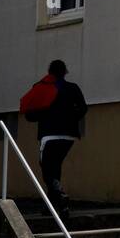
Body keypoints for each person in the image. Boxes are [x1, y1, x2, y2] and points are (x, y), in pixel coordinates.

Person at [19, 60, 87, 211]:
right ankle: (55, 207)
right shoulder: (73, 88)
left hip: (49, 135)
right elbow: (83, 109)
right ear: (65, 72)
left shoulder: (41, 87)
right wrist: (71, 117)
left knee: (47, 169)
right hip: (69, 136)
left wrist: (44, 115)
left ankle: (59, 194)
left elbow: (30, 114)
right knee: (55, 167)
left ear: (50, 72)